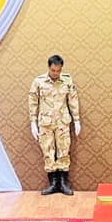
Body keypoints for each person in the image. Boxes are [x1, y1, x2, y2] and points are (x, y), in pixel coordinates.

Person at [29, 54, 81, 196]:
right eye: (53, 70)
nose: (55, 73)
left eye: (58, 71)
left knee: (64, 150)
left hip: (62, 122)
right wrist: (33, 122)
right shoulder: (39, 82)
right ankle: (53, 184)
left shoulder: (67, 81)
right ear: (49, 67)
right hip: (45, 123)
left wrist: (76, 120)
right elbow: (33, 102)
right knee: (47, 151)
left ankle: (63, 183)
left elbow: (73, 100)